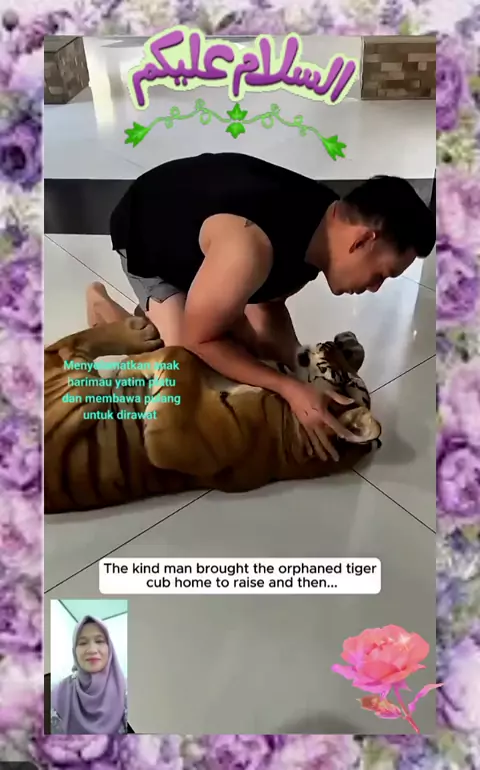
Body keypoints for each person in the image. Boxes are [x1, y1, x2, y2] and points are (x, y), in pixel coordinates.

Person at [89, 153, 435, 461]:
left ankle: (182, 306)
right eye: (382, 274)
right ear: (362, 241)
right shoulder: (250, 248)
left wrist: (303, 375)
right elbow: (200, 340)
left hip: (206, 249)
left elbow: (269, 306)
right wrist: (289, 388)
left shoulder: (323, 230)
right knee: (184, 364)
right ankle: (105, 307)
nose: (375, 287)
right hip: (146, 230)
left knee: (254, 354)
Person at [51, 616, 127, 734]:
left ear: (110, 648)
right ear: (74, 651)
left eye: (99, 641)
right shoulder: (58, 692)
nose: (92, 650)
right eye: (83, 643)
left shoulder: (128, 691)